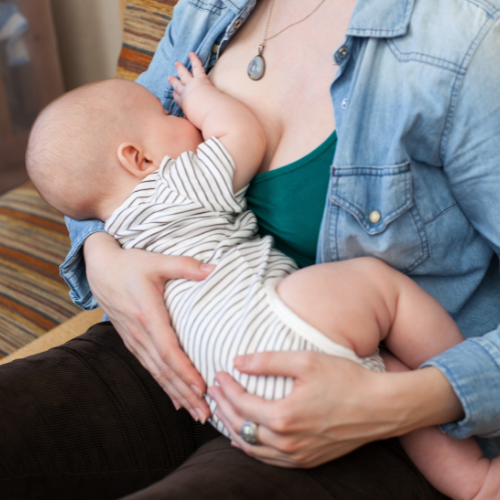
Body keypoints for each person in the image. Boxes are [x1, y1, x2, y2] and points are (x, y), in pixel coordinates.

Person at [1, 0, 499, 498]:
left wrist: (414, 398)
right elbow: (95, 150)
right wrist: (101, 258)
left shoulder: (467, 36)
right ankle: (474, 481)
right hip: (182, 348)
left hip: (296, 381)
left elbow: (103, 168)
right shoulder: (209, 10)